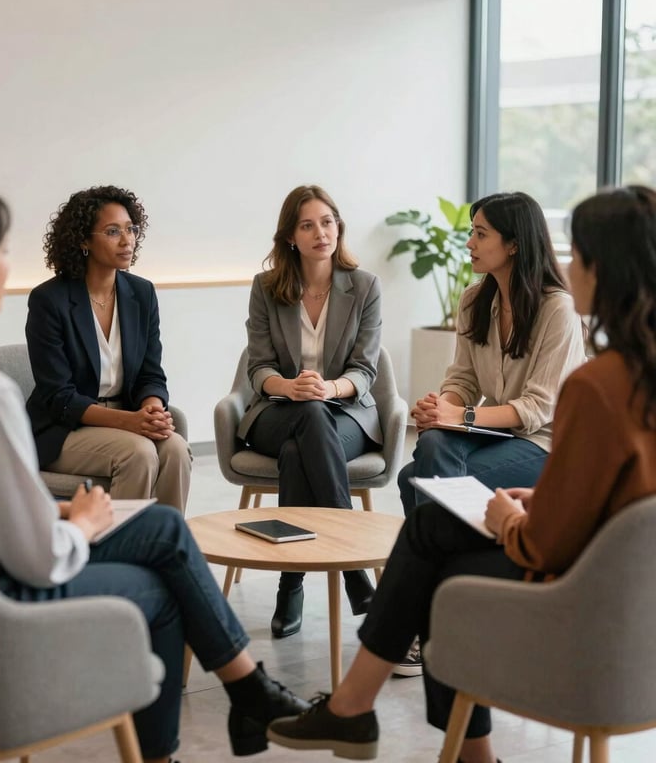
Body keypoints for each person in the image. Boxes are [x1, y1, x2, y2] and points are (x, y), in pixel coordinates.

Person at [0, 178, 309, 763]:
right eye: (1, 249)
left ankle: (248, 692)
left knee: (165, 523)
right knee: (161, 583)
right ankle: (202, 721)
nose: (127, 239)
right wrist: (81, 525)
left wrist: (144, 414)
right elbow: (37, 558)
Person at [265, 183, 656, 763]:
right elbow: (620, 494)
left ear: (607, 270)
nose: (570, 265)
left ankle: (365, 710)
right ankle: (364, 708)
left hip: (580, 581)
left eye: (581, 254)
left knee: (434, 555)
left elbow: (546, 539)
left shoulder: (595, 387)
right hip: (624, 578)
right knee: (432, 495)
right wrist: (448, 413)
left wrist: (510, 518)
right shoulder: (633, 373)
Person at [393, 191, 586, 678]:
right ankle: (446, 606)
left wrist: (464, 420)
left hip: (542, 445)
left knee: (415, 476)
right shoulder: (474, 299)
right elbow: (462, 381)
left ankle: (430, 612)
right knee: (432, 448)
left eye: (481, 234)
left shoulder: (556, 309)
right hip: (492, 435)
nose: (471, 243)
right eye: (472, 232)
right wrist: (444, 409)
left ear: (515, 245)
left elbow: (538, 409)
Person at [238, 184, 382, 639]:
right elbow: (258, 366)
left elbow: (365, 369)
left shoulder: (364, 287)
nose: (321, 232)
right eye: (307, 225)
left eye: (327, 221)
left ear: (339, 226)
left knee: (303, 448)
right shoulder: (266, 289)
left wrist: (327, 388)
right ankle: (355, 569)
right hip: (277, 411)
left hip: (345, 414)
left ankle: (290, 586)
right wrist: (290, 387)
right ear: (290, 238)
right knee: (307, 419)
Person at [25, 186, 191, 512]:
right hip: (65, 428)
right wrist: (130, 422)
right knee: (139, 453)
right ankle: (120, 554)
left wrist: (153, 409)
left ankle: (163, 552)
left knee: (175, 450)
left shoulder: (141, 294)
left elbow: (150, 373)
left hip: (129, 415)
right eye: (113, 231)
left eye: (131, 229)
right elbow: (60, 397)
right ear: (83, 241)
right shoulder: (50, 300)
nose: (127, 240)